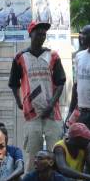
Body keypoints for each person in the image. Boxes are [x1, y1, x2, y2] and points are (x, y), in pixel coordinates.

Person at [8, 20, 65, 157]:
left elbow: (60, 82)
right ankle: (30, 177)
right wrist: (19, 102)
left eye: (44, 34)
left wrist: (51, 104)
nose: (41, 37)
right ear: (30, 34)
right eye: (38, 34)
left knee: (55, 151)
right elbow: (14, 83)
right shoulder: (20, 57)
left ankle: (56, 177)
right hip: (31, 112)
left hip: (52, 112)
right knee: (33, 153)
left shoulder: (53, 56)